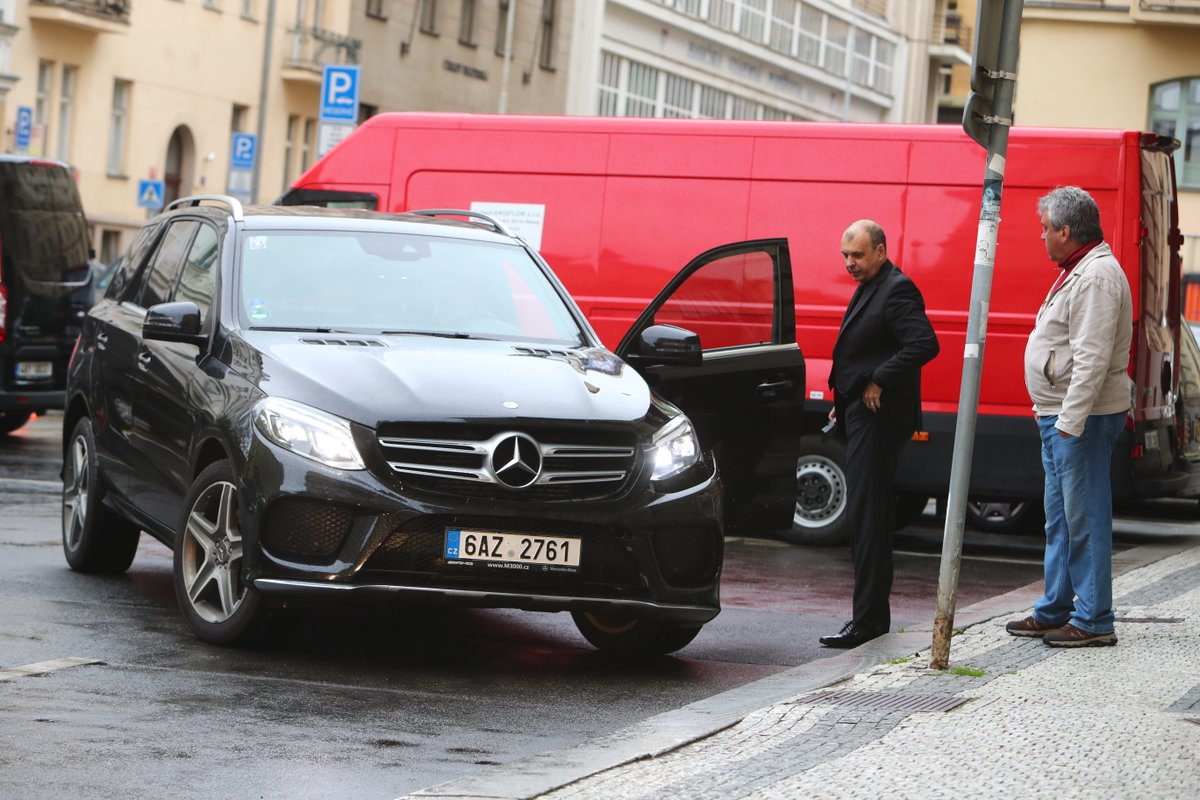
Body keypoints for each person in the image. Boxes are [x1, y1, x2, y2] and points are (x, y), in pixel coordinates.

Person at [1006, 186, 1132, 647]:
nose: (1040, 237)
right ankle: (1056, 606)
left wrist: (1069, 423)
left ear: (1065, 229)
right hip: (1061, 415)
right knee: (1060, 519)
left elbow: (1093, 359)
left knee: (1085, 518)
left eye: (1044, 228)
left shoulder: (1096, 276)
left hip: (1078, 419)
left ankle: (1095, 618)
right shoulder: (1078, 269)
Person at [820, 220, 939, 648]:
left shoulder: (897, 288)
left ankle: (868, 621)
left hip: (880, 417)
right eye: (845, 256)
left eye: (858, 255)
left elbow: (924, 343)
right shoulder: (874, 283)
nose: (850, 263)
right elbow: (865, 346)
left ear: (881, 251)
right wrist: (846, 393)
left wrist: (878, 381)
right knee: (867, 514)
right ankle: (870, 617)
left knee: (867, 517)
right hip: (860, 409)